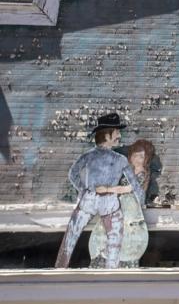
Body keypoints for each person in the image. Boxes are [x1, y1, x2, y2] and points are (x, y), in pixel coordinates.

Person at [55, 113, 145, 269]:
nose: (119, 135)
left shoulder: (89, 156)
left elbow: (73, 174)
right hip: (109, 202)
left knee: (72, 234)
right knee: (115, 239)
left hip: (90, 199)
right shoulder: (120, 160)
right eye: (116, 132)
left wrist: (84, 189)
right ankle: (111, 273)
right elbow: (134, 184)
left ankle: (60, 268)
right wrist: (141, 202)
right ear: (107, 135)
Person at [89, 139, 153, 268]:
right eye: (136, 155)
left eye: (142, 156)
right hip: (118, 203)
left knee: (126, 232)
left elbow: (128, 189)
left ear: (146, 158)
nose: (138, 159)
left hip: (130, 206)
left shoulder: (142, 173)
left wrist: (107, 189)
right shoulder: (127, 170)